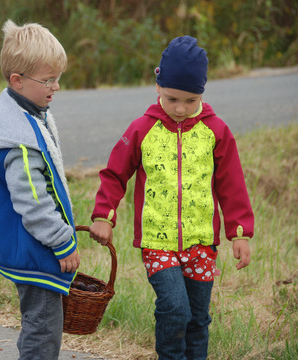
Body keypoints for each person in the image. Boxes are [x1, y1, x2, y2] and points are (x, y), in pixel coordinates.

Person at [89, 36, 254, 360]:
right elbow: (114, 174)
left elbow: (231, 185)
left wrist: (239, 233)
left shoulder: (216, 132)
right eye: (172, 98)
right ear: (157, 87)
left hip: (202, 243)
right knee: (175, 308)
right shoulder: (141, 130)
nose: (180, 108)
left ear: (203, 93)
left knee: (198, 318)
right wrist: (102, 215)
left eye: (191, 100)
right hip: (157, 242)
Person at [0, 20, 80, 360]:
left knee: (41, 324)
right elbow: (32, 200)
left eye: (57, 78)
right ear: (17, 80)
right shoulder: (19, 139)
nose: (56, 87)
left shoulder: (25, 111)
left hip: (25, 243)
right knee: (42, 330)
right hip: (32, 247)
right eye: (48, 80)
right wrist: (62, 241)